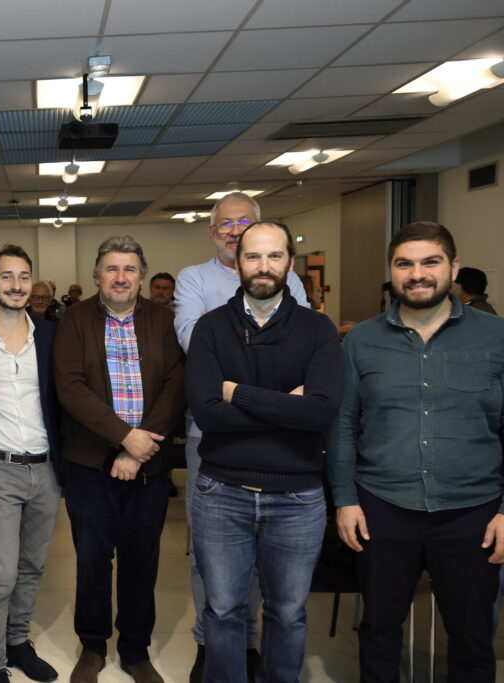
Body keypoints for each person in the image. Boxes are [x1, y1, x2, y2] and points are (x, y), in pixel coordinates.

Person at [328, 221, 504, 683]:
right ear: (391, 272)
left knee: (472, 637)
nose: (417, 274)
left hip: (474, 512)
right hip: (381, 508)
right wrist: (345, 500)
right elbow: (343, 426)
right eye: (404, 264)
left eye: (430, 262)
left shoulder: (499, 335)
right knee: (378, 629)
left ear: (453, 267)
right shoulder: (361, 340)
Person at [186, 221, 343, 682]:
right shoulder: (211, 328)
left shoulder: (317, 329)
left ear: (290, 264)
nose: (263, 266)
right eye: (253, 256)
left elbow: (320, 411)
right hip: (222, 493)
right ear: (237, 263)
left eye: (274, 256)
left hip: (297, 498)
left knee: (288, 614)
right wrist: (287, 407)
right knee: (222, 611)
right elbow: (207, 412)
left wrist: (237, 392)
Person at [172, 191, 310, 682]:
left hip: (280, 446)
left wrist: (236, 386)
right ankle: (210, 645)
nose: (234, 232)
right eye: (226, 224)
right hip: (212, 437)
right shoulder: (193, 278)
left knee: (264, 557)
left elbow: (302, 352)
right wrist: (277, 396)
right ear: (213, 232)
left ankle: (247, 646)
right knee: (210, 555)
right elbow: (195, 345)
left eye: (243, 223)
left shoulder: (291, 280)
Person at [53, 236, 184, 683]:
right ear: (97, 276)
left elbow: (176, 385)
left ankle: (134, 649)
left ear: (141, 277)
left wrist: (138, 449)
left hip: (149, 462)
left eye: (129, 269)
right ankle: (92, 646)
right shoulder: (73, 320)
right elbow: (71, 388)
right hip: (90, 463)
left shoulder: (164, 321)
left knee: (141, 560)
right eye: (112, 268)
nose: (121, 277)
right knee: (92, 560)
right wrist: (125, 437)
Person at [0, 245, 61, 683]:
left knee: (32, 566)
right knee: (1, 572)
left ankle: (17, 641)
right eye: (6, 276)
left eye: (24, 276)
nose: (16, 285)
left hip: (46, 469)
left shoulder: (50, 335)